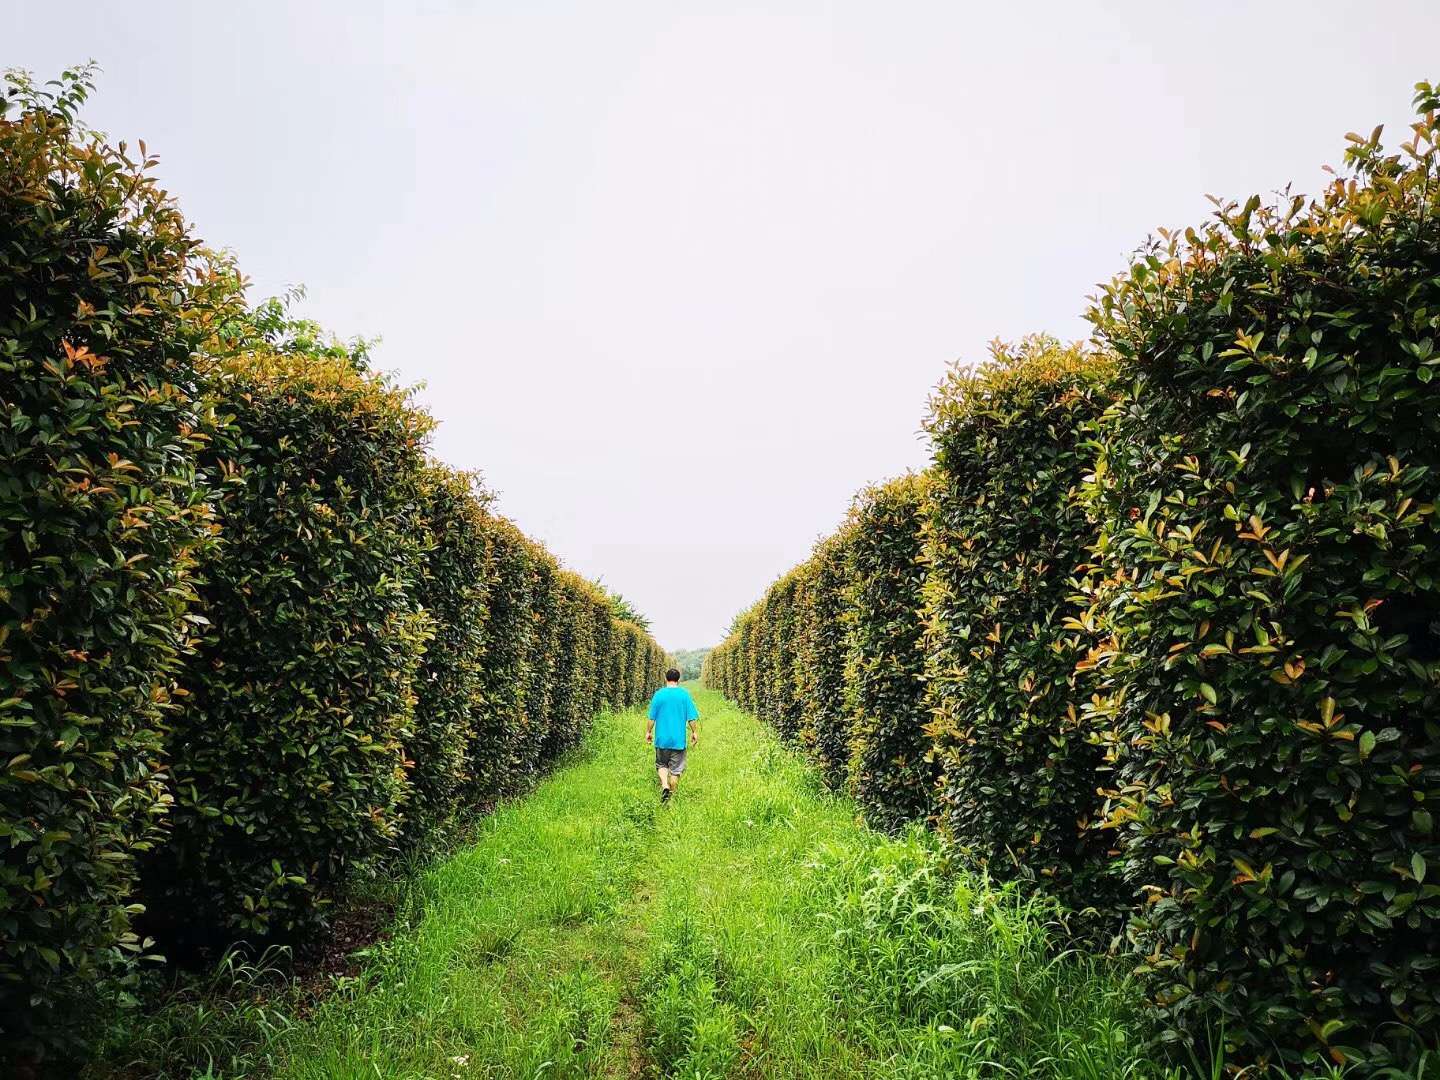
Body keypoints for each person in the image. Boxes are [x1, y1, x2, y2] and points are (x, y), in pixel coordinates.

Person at [646, 668, 699, 803]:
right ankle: (671, 798)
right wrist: (694, 732)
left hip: (661, 739)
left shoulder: (659, 694)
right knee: (675, 770)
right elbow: (691, 718)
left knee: (661, 764)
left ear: (666, 679)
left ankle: (664, 784)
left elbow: (651, 718)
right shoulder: (684, 695)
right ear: (678, 680)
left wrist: (648, 732)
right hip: (678, 740)